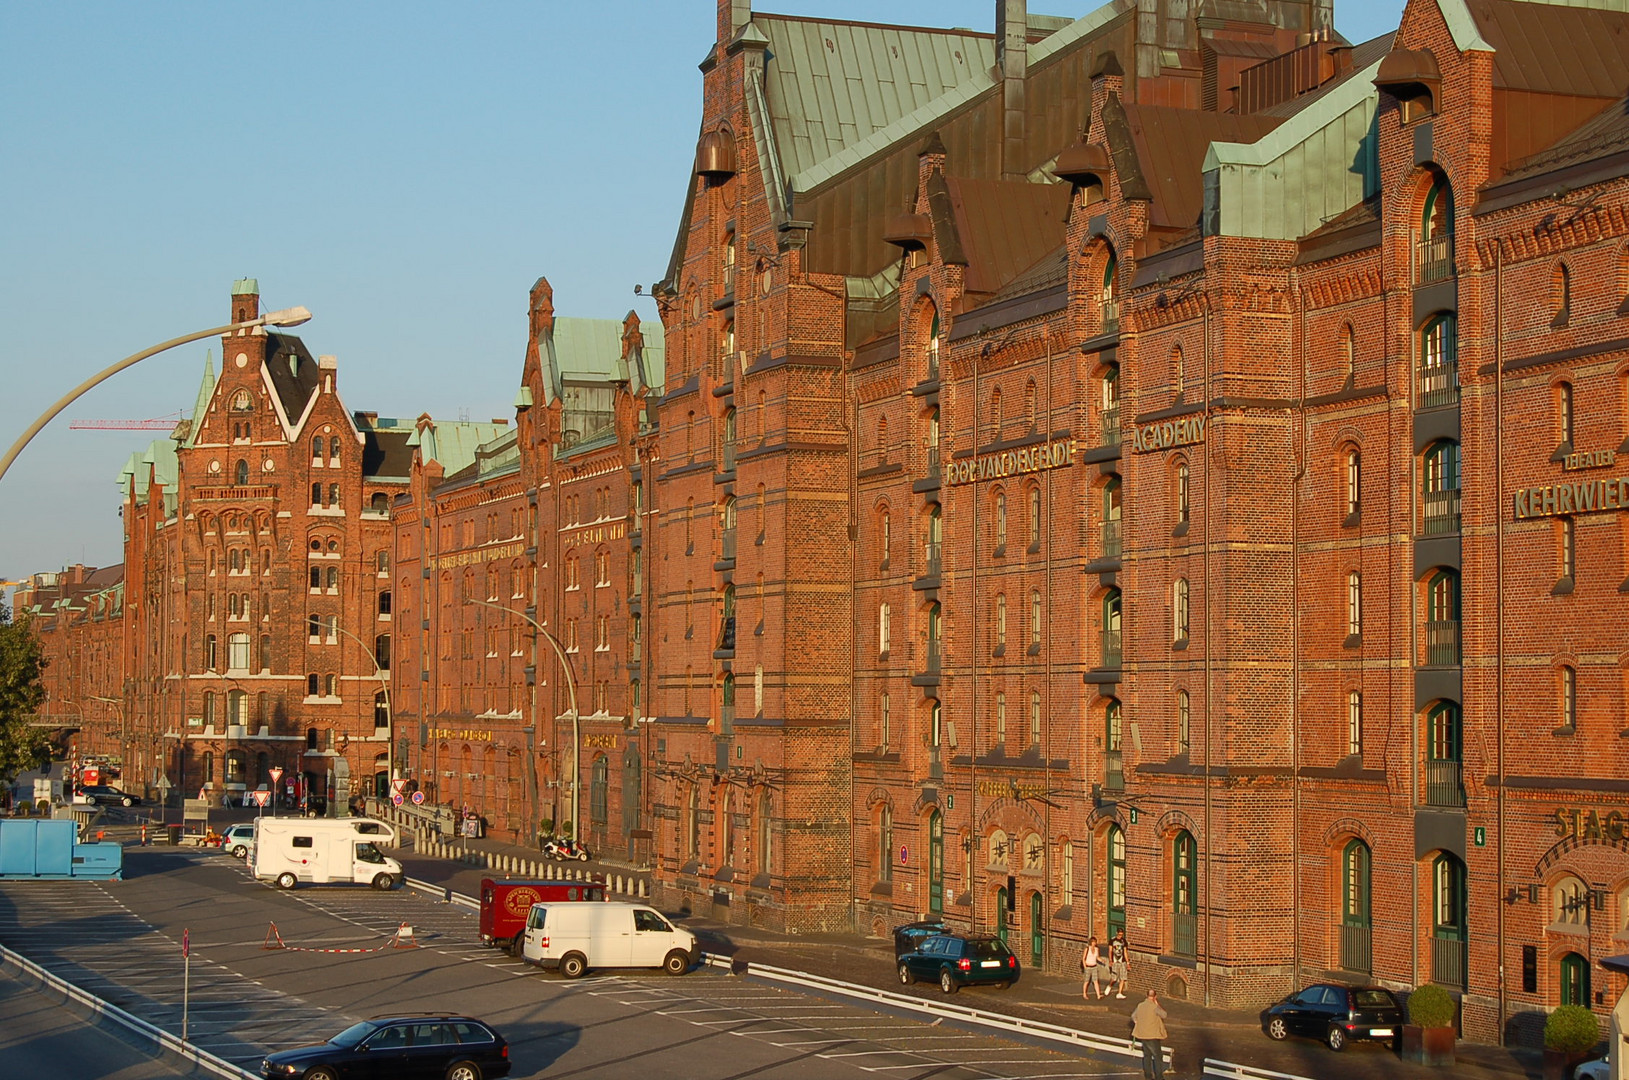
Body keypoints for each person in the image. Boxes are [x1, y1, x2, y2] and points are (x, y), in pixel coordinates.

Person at [1130, 988, 1169, 1080]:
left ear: (1146, 996)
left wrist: (1138, 1022)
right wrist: (1157, 1004)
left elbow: (1133, 1016)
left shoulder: (1140, 1005)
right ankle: (1159, 1077)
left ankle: (1148, 1076)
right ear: (1155, 997)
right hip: (1153, 1035)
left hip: (1143, 1034)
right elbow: (1164, 1015)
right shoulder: (1154, 1007)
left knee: (1147, 1056)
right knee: (1157, 1056)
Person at [1080, 935, 1106, 1000]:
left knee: (1095, 981)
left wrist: (1102, 960)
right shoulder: (1087, 949)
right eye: (1093, 942)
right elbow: (1083, 958)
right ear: (1091, 942)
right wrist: (1085, 967)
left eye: (1095, 942)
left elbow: (1097, 957)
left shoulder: (1097, 949)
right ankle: (1084, 993)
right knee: (1086, 981)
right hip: (1088, 966)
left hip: (1094, 966)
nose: (1094, 943)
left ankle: (1098, 995)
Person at [1108, 929, 1130, 998]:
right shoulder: (1112, 941)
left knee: (1122, 978)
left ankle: (1119, 993)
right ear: (1116, 933)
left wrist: (1127, 962)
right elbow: (1110, 951)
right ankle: (1110, 986)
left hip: (1122, 961)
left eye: (1121, 935)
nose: (1120, 936)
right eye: (1119, 934)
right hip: (1115, 961)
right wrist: (1110, 960)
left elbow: (1125, 952)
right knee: (1114, 978)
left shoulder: (1124, 941)